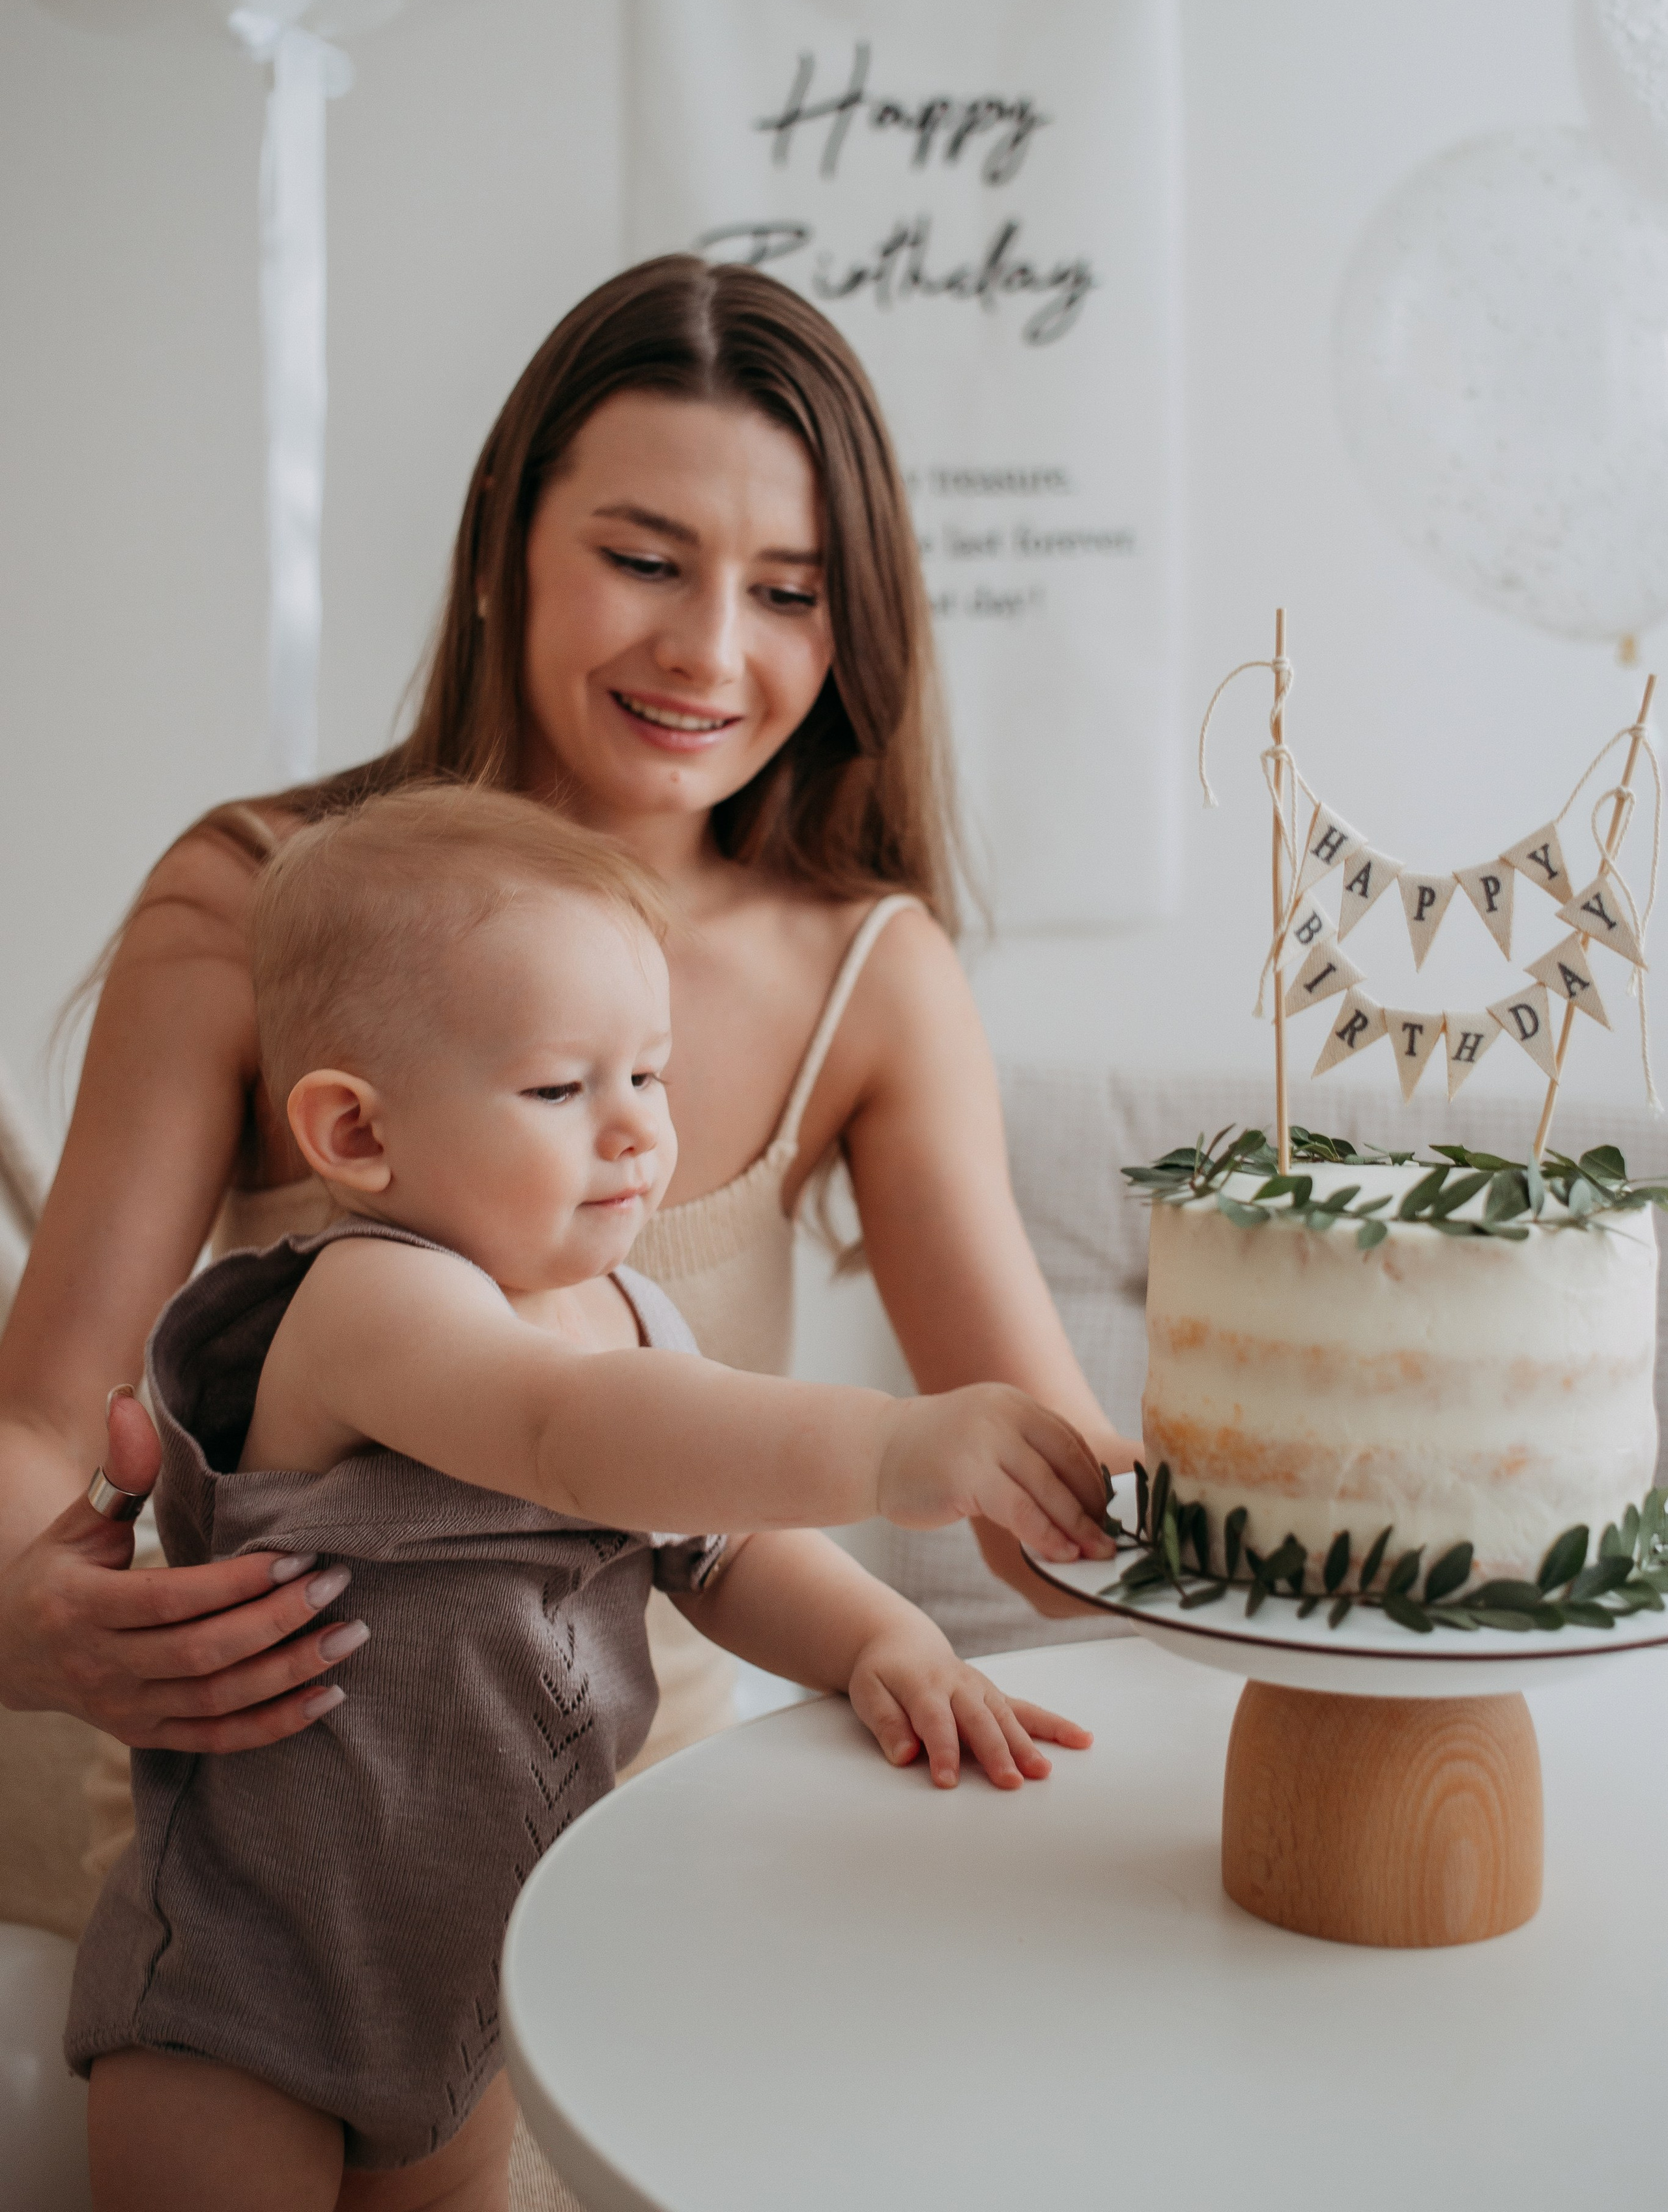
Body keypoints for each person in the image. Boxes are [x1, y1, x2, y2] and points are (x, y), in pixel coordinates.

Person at [0, 253, 1138, 2206]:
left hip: (589, 1856)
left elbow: (1042, 1485)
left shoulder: (867, 966)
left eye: (789, 592)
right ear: (499, 547)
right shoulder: (266, 902)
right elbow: (49, 1417)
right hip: (246, 1825)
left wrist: (1283, 1533)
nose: (712, 649)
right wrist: (26, 1618)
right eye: (642, 558)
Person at [68, 785, 1104, 2212]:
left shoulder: (628, 1318)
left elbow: (721, 1549)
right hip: (248, 1980)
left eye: (651, 1076)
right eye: (561, 1089)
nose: (633, 1133)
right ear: (357, 1134)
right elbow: (566, 1436)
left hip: (470, 1984)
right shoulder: (372, 1299)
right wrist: (882, 1449)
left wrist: (882, 1639)